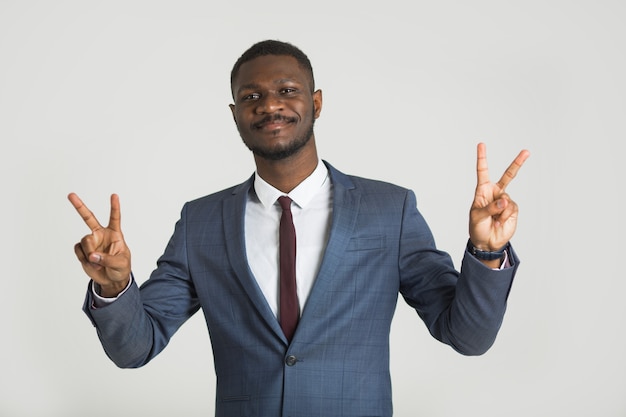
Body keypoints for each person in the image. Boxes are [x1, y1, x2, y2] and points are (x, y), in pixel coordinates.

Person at [69, 39, 530, 417]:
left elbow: (467, 336)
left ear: (316, 103)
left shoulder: (390, 209)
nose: (270, 104)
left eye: (287, 90)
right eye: (251, 96)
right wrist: (116, 289)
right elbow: (135, 347)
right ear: (235, 115)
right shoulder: (201, 222)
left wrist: (487, 253)